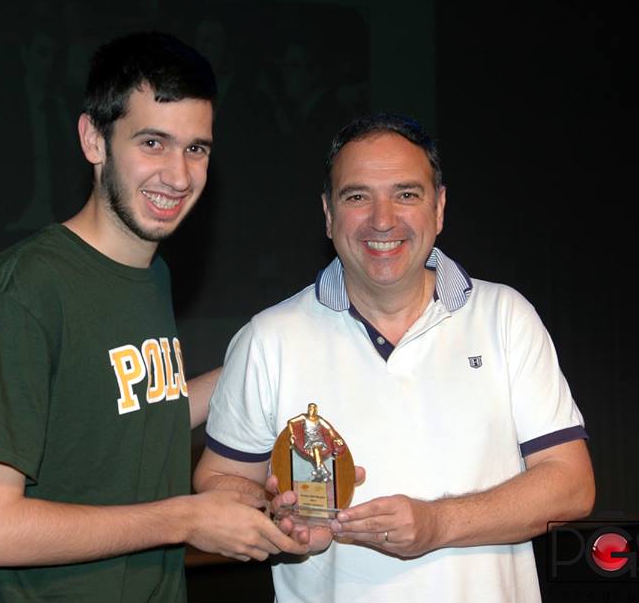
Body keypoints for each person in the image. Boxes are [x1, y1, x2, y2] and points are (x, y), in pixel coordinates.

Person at [0, 31, 305, 603]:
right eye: (152, 142)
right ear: (93, 139)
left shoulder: (150, 274)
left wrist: (270, 360)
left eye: (196, 148)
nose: (178, 176)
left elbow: (133, 415)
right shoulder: (29, 287)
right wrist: (186, 519)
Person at [194, 113, 595, 602]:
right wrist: (277, 515)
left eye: (406, 194)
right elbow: (221, 480)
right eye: (357, 196)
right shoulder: (269, 338)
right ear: (327, 213)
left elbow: (571, 486)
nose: (382, 220)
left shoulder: (505, 317)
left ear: (440, 207)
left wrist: (437, 523)